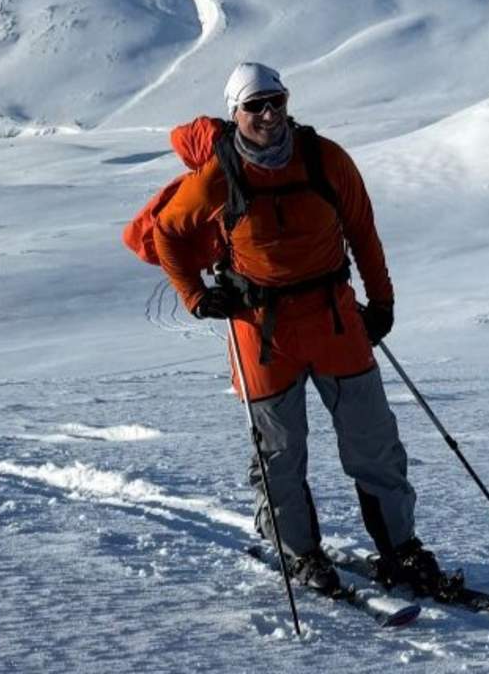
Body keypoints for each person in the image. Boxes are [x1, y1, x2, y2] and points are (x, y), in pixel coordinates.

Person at [151, 61, 442, 595]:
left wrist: (382, 302)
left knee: (374, 442)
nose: (268, 114)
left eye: (276, 101)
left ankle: (400, 549)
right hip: (261, 331)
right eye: (254, 105)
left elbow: (362, 228)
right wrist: (194, 295)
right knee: (280, 455)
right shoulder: (218, 176)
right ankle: (298, 552)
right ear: (234, 113)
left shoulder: (325, 158)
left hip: (334, 317)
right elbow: (166, 231)